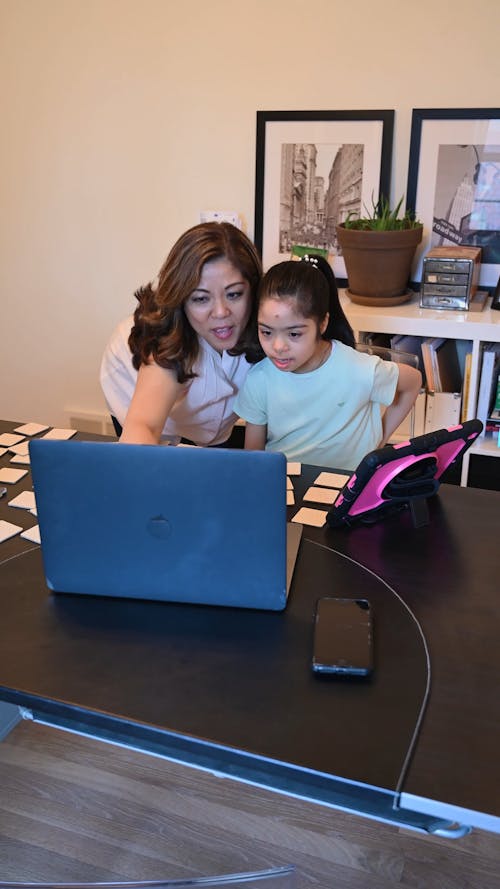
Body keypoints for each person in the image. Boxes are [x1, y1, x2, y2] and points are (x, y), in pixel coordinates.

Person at [234, 255, 422, 471]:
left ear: (322, 323)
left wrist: (380, 439)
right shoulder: (259, 379)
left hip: (348, 486)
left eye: (294, 334)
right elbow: (254, 460)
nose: (277, 346)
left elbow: (413, 381)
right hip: (286, 486)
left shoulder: (357, 369)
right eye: (266, 332)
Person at [100, 222, 263, 446]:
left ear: (253, 290)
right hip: (138, 397)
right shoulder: (166, 338)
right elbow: (144, 426)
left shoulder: (270, 326)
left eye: (234, 294)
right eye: (201, 299)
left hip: (210, 426)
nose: (221, 312)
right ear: (181, 300)